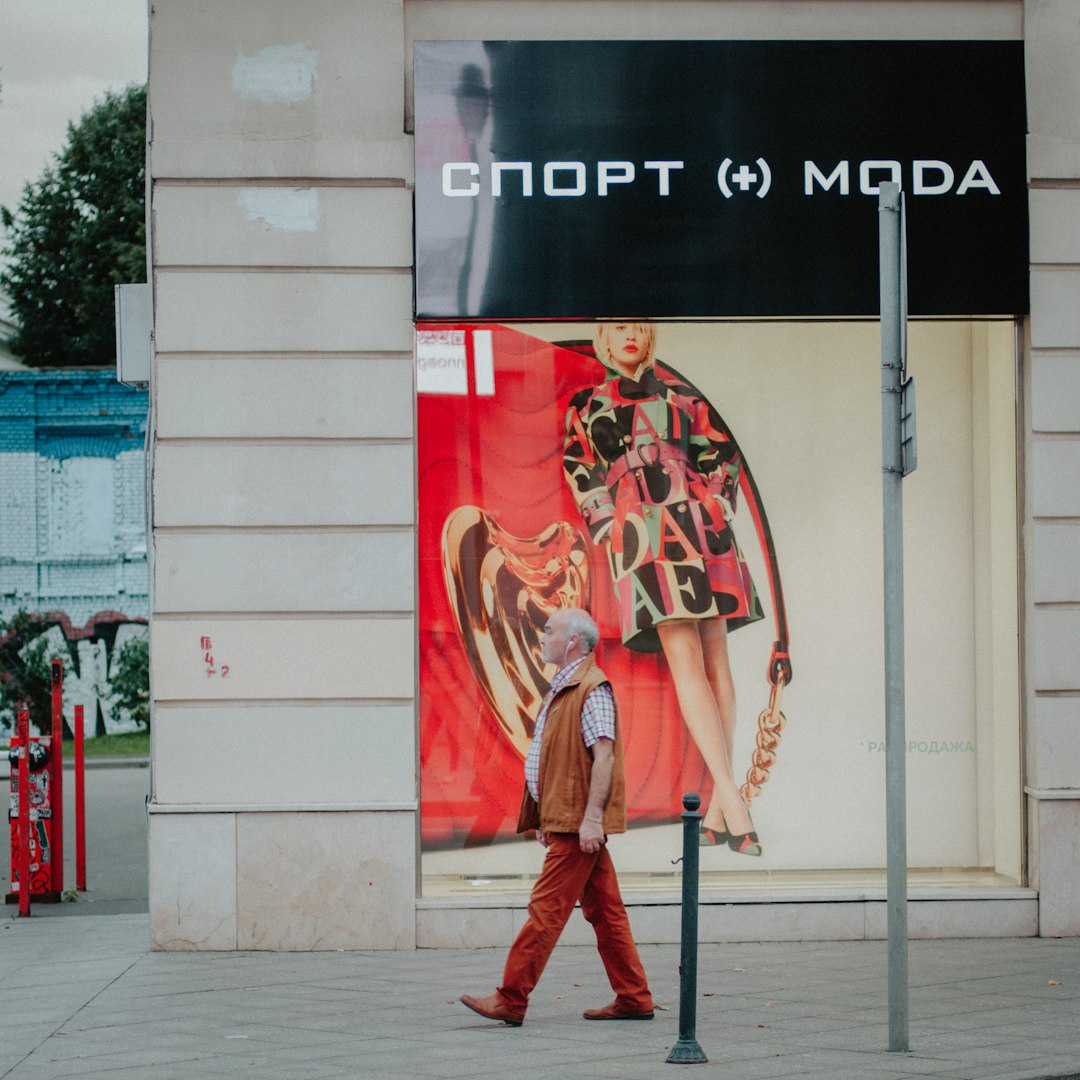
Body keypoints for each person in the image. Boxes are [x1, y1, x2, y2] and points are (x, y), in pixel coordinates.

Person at [562, 321, 768, 854]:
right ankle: (731, 799)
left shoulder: (683, 398)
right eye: (618, 328)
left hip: (701, 524)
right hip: (645, 532)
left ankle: (725, 806)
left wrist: (718, 502)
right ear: (603, 342)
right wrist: (610, 527)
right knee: (685, 658)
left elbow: (723, 456)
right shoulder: (586, 404)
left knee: (716, 656)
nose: (629, 335)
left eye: (638, 326)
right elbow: (580, 469)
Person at [460, 607, 654, 1026]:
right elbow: (557, 761)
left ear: (572, 642)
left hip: (577, 825)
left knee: (545, 910)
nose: (541, 637)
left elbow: (604, 757)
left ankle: (511, 998)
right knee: (606, 911)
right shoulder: (564, 687)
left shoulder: (592, 688)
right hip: (567, 820)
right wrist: (546, 815)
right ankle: (634, 996)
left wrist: (590, 820)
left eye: (549, 631)